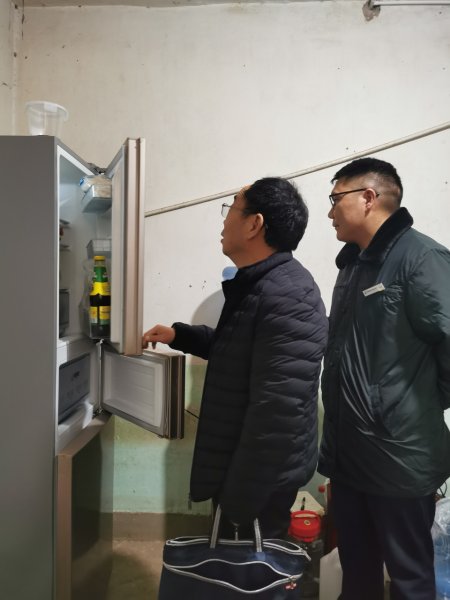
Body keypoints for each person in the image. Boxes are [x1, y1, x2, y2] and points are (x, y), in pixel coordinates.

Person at [143, 177, 328, 539]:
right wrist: (181, 335)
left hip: (258, 483)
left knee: (250, 566)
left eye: (231, 208)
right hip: (246, 471)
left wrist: (240, 503)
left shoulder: (288, 294)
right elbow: (241, 352)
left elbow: (277, 413)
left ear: (254, 224)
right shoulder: (261, 284)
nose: (225, 220)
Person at [318, 157, 450, 600]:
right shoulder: (354, 264)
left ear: (368, 198)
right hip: (351, 453)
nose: (330, 211)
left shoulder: (421, 258)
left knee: (410, 579)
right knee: (357, 574)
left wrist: (411, 404)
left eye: (336, 198)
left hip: (398, 456)